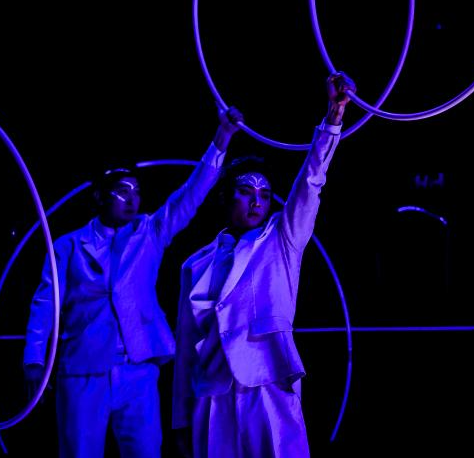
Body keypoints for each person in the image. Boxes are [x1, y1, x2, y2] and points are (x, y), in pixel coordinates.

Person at [23, 107, 243, 458]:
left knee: (145, 450)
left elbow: (189, 196)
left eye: (136, 191)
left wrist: (222, 138)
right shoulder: (67, 246)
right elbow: (45, 303)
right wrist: (35, 360)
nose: (131, 199)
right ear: (99, 196)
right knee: (79, 452)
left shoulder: (149, 232)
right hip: (83, 370)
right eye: (122, 191)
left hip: (137, 368)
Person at [172, 72, 355, 458]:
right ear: (227, 198)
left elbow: (311, 183)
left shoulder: (281, 239)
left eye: (265, 194)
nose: (257, 201)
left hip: (268, 382)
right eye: (245, 191)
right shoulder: (195, 264)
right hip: (212, 394)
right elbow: (186, 345)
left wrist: (333, 118)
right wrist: (181, 420)